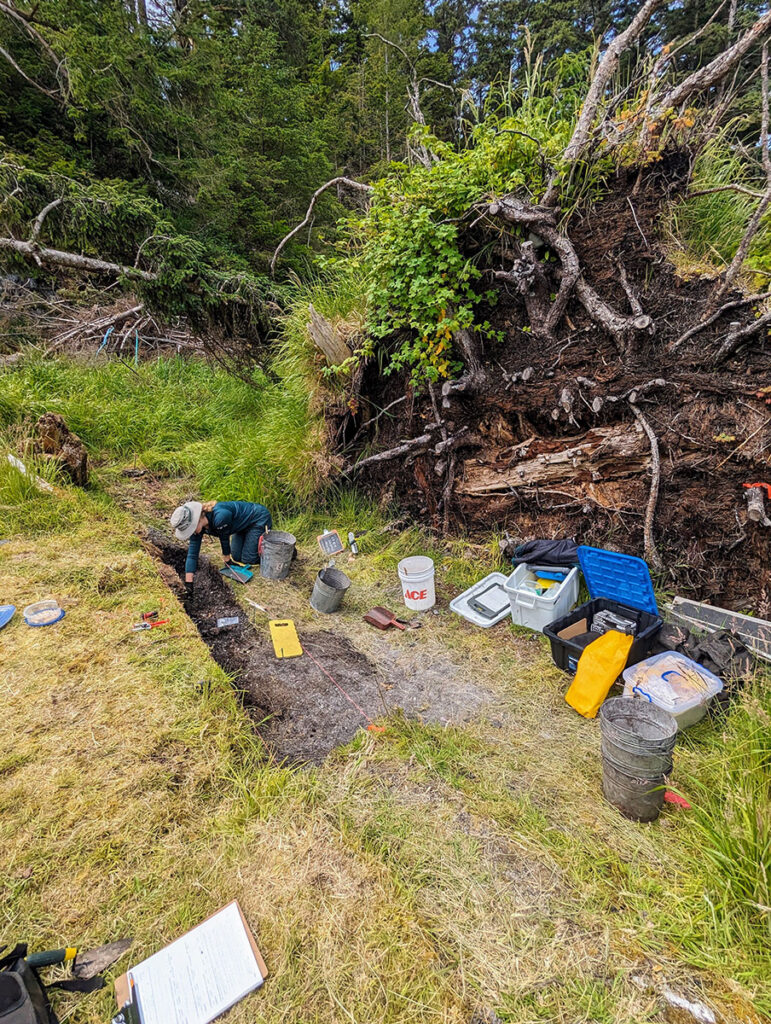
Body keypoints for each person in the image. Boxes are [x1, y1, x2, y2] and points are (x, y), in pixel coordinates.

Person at [169, 499, 272, 605]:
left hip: (257, 519)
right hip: (240, 527)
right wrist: (189, 585)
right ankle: (250, 539)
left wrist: (227, 560)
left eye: (190, 529)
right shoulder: (199, 528)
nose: (191, 533)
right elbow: (192, 554)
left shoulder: (220, 517)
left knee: (248, 559)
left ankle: (272, 550)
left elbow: (224, 539)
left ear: (197, 521)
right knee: (236, 556)